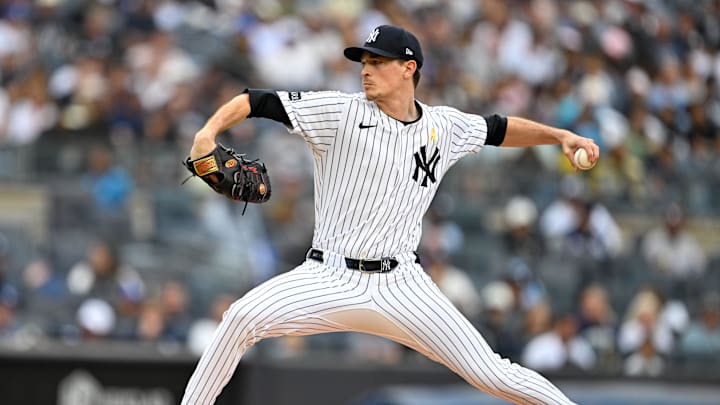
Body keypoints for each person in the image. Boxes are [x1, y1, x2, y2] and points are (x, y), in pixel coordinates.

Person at [182, 25, 598, 405]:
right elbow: (257, 101)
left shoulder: (443, 127)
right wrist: (207, 133)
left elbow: (498, 128)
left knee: (491, 372)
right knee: (239, 319)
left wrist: (560, 135)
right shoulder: (340, 112)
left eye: (378, 62)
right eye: (364, 62)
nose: (366, 70)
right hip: (328, 276)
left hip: (403, 284)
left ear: (408, 68)